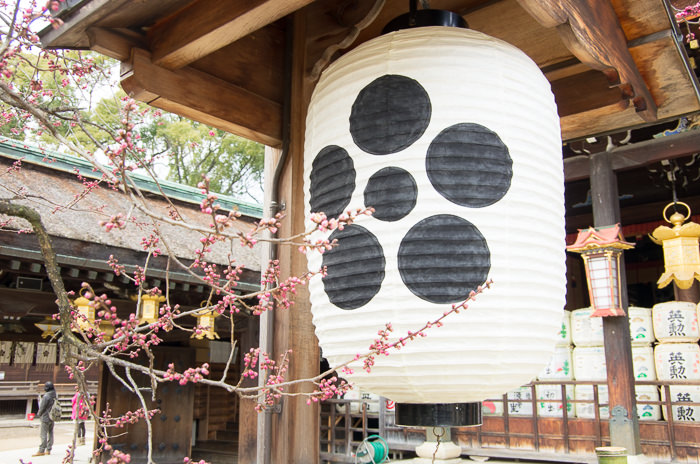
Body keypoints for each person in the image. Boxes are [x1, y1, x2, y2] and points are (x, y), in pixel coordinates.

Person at [33, 381, 57, 456]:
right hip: (52, 416)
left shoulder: (46, 396)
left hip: (45, 417)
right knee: (50, 432)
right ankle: (49, 449)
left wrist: (39, 414)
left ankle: (41, 449)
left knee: (43, 434)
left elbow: (42, 407)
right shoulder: (55, 395)